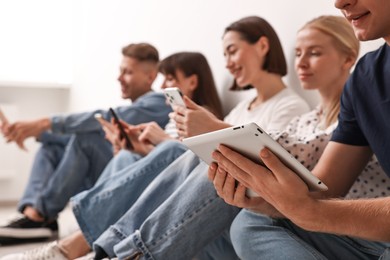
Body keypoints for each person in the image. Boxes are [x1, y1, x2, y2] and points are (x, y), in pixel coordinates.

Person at [0, 16, 310, 260]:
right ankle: (93, 246)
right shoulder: (243, 107)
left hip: (232, 208)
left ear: (263, 46)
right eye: (224, 54)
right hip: (207, 202)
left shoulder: (290, 106)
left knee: (176, 154)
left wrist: (186, 136)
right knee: (134, 154)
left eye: (232, 51)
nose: (227, 62)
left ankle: (80, 245)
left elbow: (264, 167)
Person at [209, 1, 390, 259]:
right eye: (298, 53)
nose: (340, 2)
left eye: (314, 53)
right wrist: (269, 200)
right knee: (252, 221)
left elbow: (315, 206)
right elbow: (326, 187)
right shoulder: (364, 78)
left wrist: (311, 212)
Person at [0, 43, 172, 245]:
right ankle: (36, 216)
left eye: (128, 72)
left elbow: (104, 119)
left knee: (86, 137)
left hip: (133, 178)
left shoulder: (159, 102)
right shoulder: (137, 106)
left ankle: (40, 216)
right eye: (120, 70)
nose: (119, 77)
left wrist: (44, 123)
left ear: (150, 77)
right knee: (52, 147)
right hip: (110, 168)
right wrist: (34, 132)